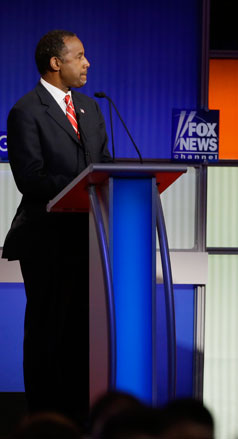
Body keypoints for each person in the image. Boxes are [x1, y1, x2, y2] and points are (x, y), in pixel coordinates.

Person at [3, 29, 112, 426]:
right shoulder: (26, 111)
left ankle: (82, 419)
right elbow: (30, 178)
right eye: (79, 56)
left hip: (88, 238)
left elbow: (105, 163)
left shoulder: (90, 107)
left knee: (82, 333)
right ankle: (46, 422)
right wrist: (80, 187)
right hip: (46, 239)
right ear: (55, 63)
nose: (87, 63)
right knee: (49, 331)